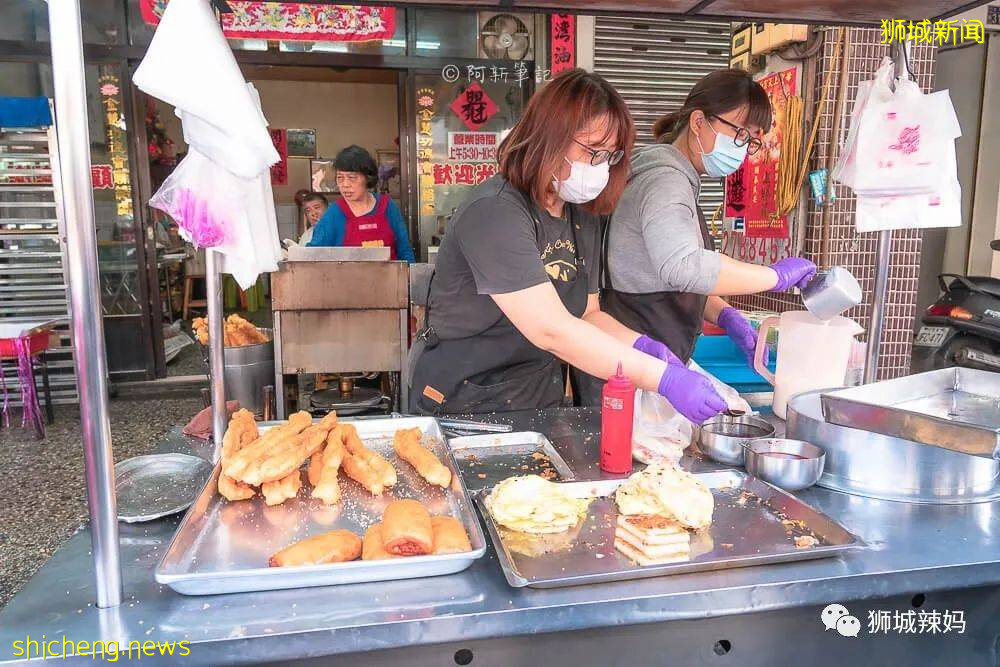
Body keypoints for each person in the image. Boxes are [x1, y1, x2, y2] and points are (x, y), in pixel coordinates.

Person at [408, 69, 727, 421]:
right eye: (593, 152)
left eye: (610, 156)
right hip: (462, 396)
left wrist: (641, 345)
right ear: (548, 137)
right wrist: (663, 379)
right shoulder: (494, 212)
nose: (600, 167)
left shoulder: (580, 214)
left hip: (535, 392)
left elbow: (587, 314)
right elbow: (552, 328)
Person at [578, 69, 816, 405]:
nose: (743, 149)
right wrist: (773, 276)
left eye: (752, 141)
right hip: (634, 364)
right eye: (740, 135)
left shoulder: (668, 175)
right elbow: (684, 267)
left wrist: (724, 314)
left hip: (645, 359)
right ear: (699, 121)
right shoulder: (665, 182)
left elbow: (654, 273)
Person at [307, 145, 415, 262]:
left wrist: (409, 275)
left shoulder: (387, 206)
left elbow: (404, 249)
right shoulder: (334, 213)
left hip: (389, 278)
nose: (345, 184)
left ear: (367, 178)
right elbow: (313, 255)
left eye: (352, 178)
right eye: (340, 178)